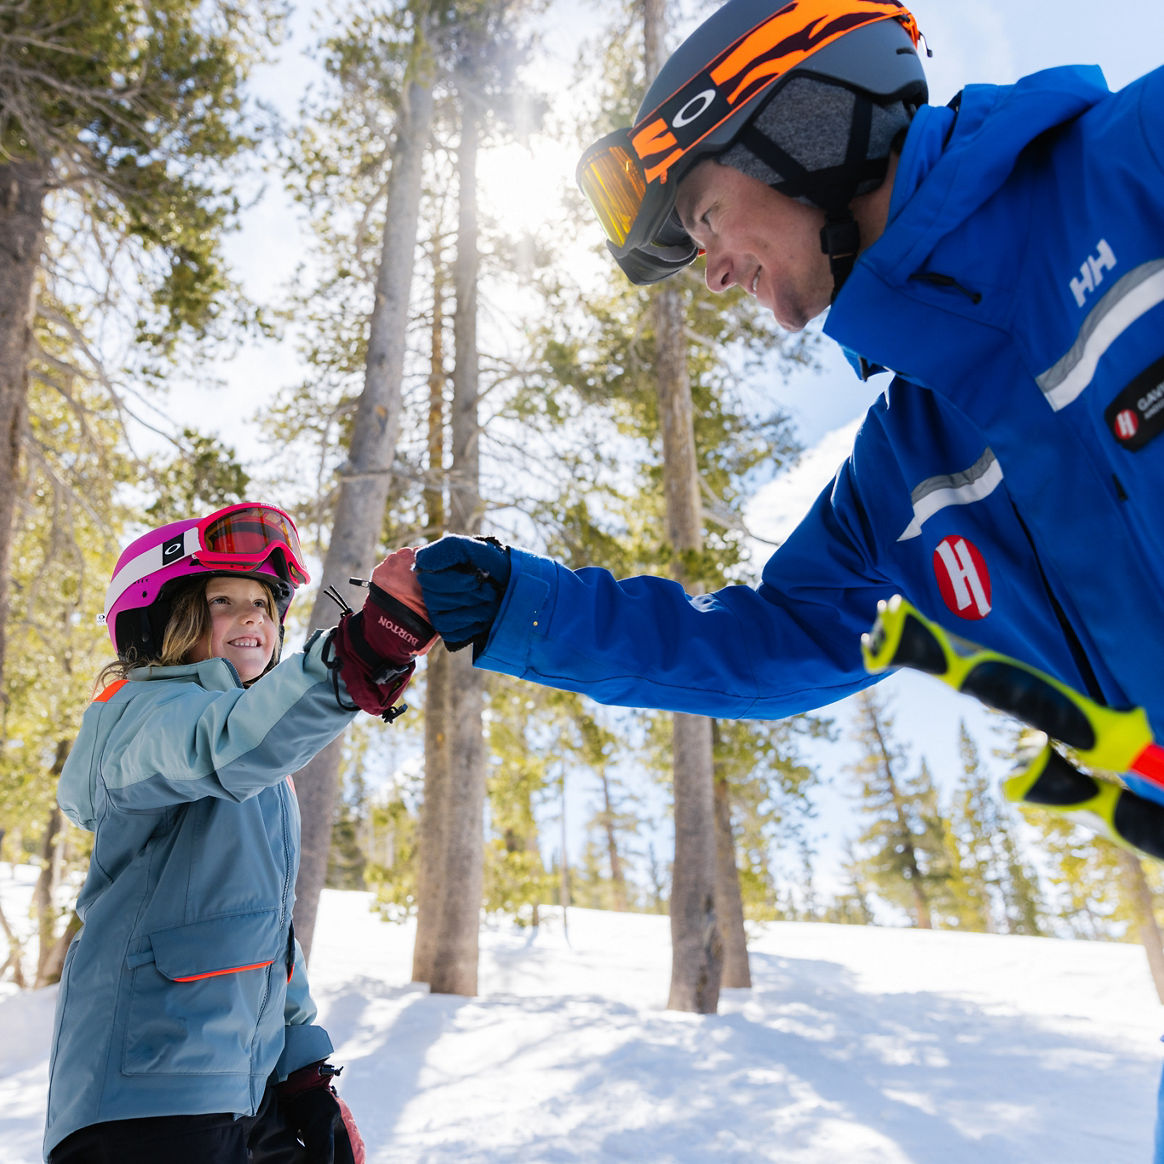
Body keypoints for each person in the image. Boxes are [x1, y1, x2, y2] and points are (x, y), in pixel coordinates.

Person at [371, 0, 1164, 1152]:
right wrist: (520, 604)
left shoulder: (1133, 174)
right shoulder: (909, 467)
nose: (708, 270)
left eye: (700, 215)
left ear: (802, 121)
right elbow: (761, 639)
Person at [43, 503, 435, 1164]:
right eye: (224, 599)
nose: (254, 616)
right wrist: (360, 652)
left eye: (264, 602)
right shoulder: (140, 720)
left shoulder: (259, 765)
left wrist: (304, 1074)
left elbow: (265, 932)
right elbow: (223, 740)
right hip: (145, 1095)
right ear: (166, 616)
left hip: (239, 1091)